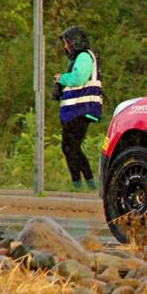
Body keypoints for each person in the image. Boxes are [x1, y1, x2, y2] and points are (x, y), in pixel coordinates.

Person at [54, 25, 103, 190]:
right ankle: (85, 182)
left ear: (75, 42)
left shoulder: (83, 57)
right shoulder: (79, 57)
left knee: (70, 147)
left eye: (67, 43)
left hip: (81, 109)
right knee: (71, 146)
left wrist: (62, 78)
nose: (65, 46)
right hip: (76, 110)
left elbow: (78, 78)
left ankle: (81, 183)